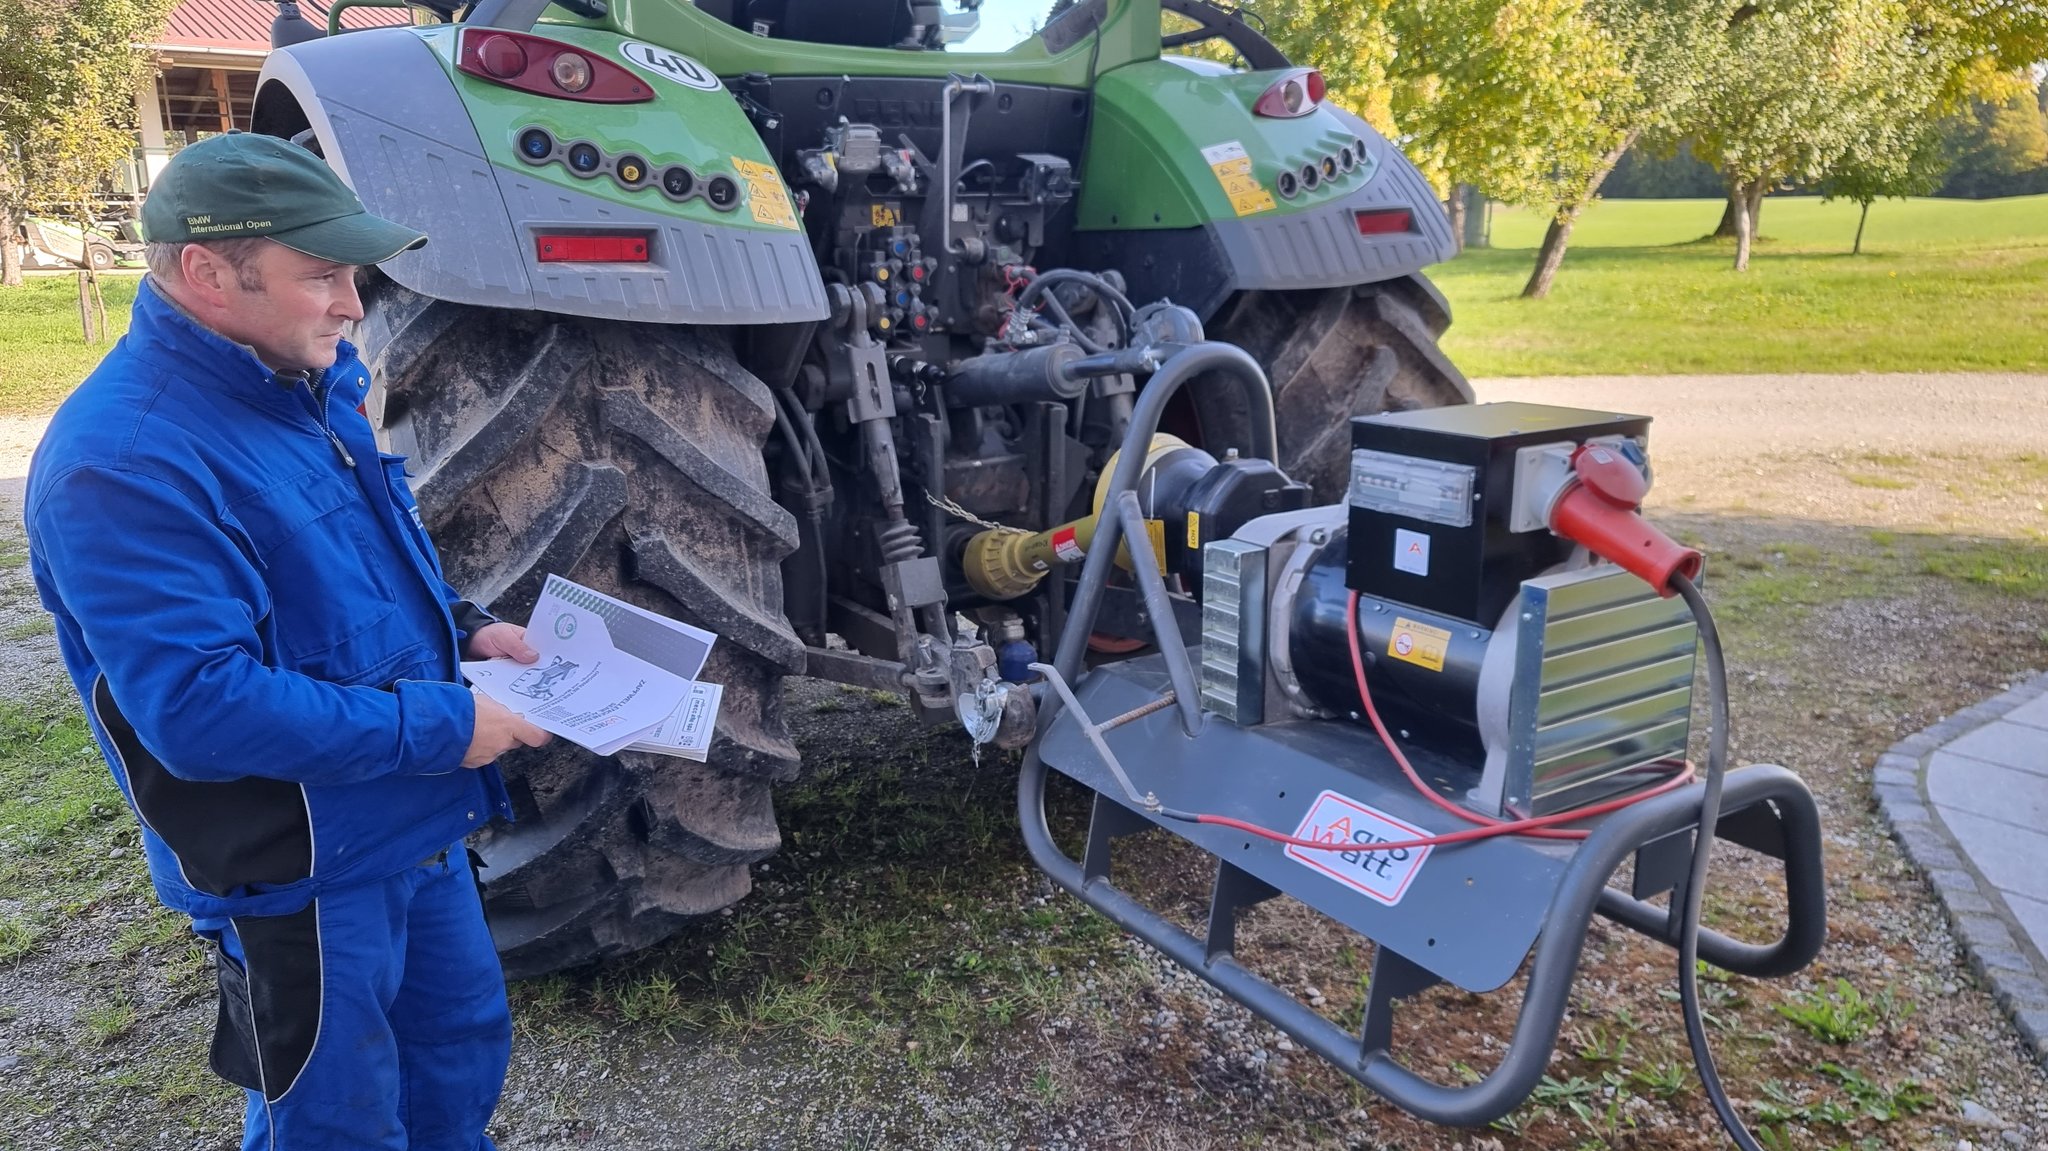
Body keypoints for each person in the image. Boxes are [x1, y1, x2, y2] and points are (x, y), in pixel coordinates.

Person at [24, 132, 553, 1151]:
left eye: (350, 272)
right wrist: (448, 721)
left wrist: (466, 624)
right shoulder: (123, 463)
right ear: (206, 273)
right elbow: (199, 710)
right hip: (300, 869)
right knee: (331, 1119)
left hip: (409, 817)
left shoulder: (299, 386)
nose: (353, 302)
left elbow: (357, 557)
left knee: (456, 1062)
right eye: (320, 275)